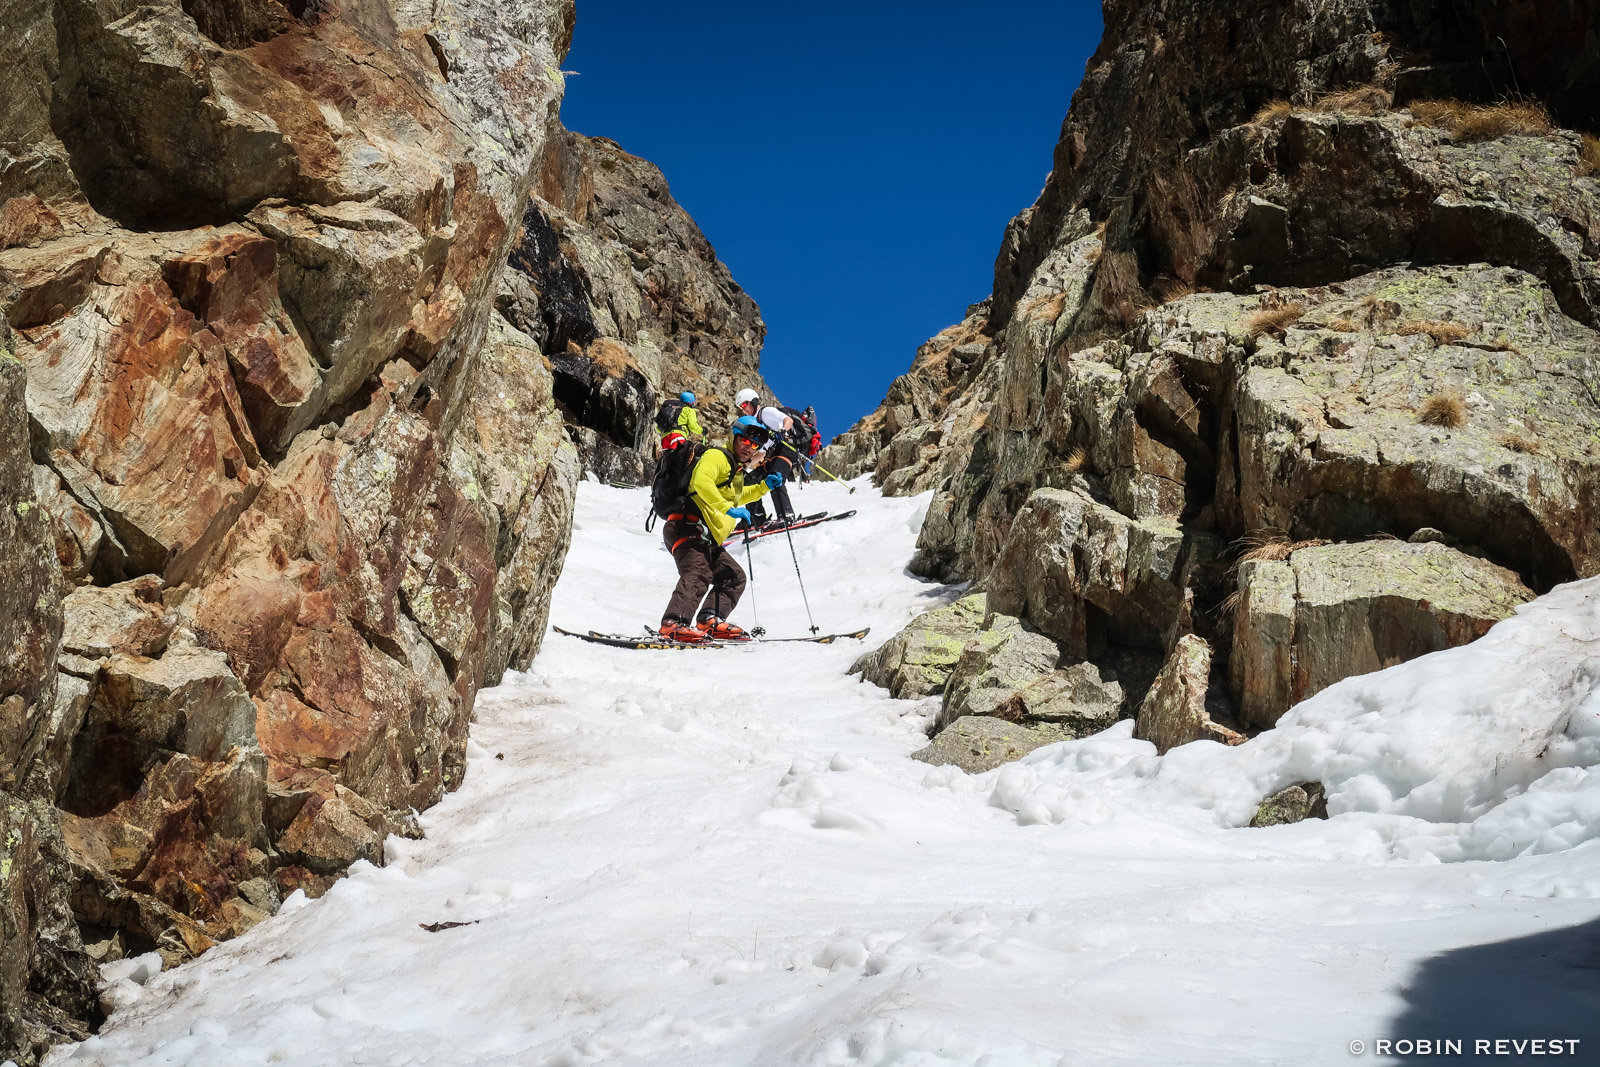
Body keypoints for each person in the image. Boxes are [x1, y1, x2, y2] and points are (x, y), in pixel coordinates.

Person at [656, 417, 784, 642]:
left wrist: (764, 487)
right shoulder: (717, 456)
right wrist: (728, 509)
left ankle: (709, 620)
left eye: (754, 445)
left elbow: (736, 497)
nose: (749, 447)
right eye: (744, 440)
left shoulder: (735, 470)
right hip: (687, 524)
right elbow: (701, 482)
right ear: (732, 436)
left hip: (704, 535)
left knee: (733, 577)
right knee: (699, 573)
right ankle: (673, 623)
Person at [734, 388, 806, 525]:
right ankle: (756, 518)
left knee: (775, 477)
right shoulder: (756, 423)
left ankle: (786, 516)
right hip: (771, 455)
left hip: (786, 449)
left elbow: (788, 420)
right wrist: (743, 465)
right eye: (740, 407)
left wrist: (783, 431)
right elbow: (762, 452)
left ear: (753, 402)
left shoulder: (765, 412)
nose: (743, 409)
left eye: (744, 405)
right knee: (749, 480)